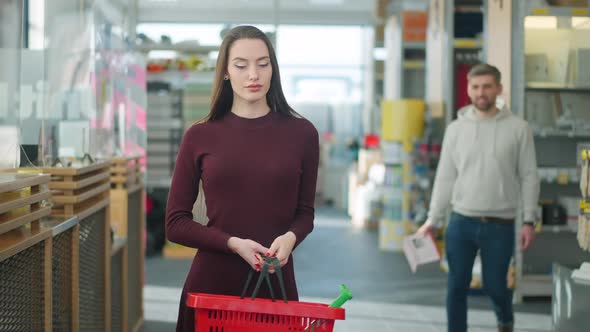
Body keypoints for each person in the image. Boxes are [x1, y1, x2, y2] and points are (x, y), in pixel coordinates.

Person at [165, 25, 319, 331]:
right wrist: (233, 243)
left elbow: (305, 214)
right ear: (225, 72)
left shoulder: (302, 134)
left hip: (274, 283)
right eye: (241, 65)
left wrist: (290, 238)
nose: (254, 74)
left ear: (273, 69)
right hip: (212, 284)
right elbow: (175, 223)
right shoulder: (200, 136)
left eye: (263, 64)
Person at [417, 63, 539, 332]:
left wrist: (529, 219)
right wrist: (432, 219)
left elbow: (530, 176)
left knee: (495, 286)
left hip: (501, 224)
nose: (481, 92)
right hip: (461, 222)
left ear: (499, 88)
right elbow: (445, 177)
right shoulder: (455, 130)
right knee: (456, 286)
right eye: (475, 87)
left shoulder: (519, 129)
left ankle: (505, 318)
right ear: (468, 90)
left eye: (486, 86)